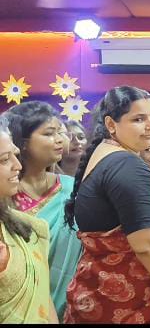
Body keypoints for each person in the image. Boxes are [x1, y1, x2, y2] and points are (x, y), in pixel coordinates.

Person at [64, 86, 150, 324]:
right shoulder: (127, 166)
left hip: (102, 298)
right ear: (111, 124)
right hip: (134, 307)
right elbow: (148, 245)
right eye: (138, 119)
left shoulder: (105, 157)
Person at [3, 101, 82, 317]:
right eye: (48, 133)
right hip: (22, 309)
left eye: (59, 132)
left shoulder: (73, 189)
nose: (59, 139)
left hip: (76, 306)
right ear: (23, 143)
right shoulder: (6, 196)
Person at [0, 117, 58, 323]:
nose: (17, 166)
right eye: (4, 160)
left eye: (15, 156)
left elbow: (45, 303)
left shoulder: (31, 229)